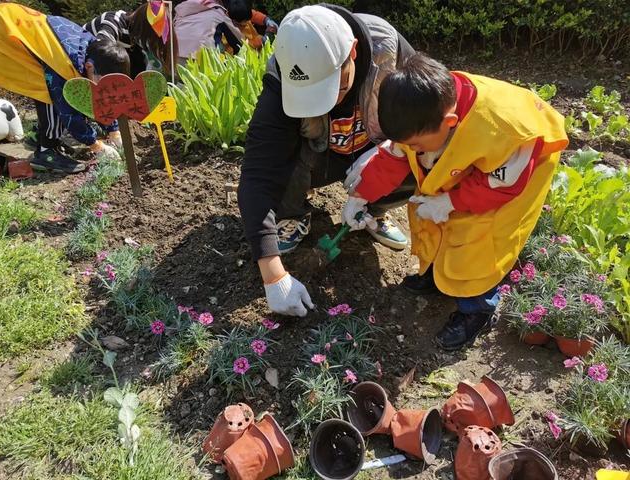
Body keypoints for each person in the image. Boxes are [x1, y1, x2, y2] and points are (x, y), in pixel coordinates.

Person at [343, 52, 569, 350]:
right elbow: (394, 157)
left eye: (417, 145)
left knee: (479, 238)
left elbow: (499, 185)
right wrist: (360, 196)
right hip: (476, 159)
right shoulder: (420, 111)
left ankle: (478, 309)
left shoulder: (504, 130)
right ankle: (439, 277)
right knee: (432, 212)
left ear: (449, 122)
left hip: (516, 172)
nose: (412, 150)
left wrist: (452, 201)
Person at [238, 4, 415, 317]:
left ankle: (373, 209)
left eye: (335, 87)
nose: (329, 101)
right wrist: (274, 276)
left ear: (354, 53)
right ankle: (293, 214)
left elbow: (428, 113)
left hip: (373, 145)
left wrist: (392, 149)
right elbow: (257, 173)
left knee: (416, 160)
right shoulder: (281, 76)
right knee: (281, 158)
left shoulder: (387, 53)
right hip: (320, 157)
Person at [0, 3, 126, 174]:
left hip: (11, 24)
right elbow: (68, 111)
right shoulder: (64, 64)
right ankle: (46, 153)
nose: (103, 88)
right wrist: (96, 145)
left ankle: (48, 141)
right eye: (102, 81)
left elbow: (101, 93)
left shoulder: (94, 47)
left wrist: (113, 131)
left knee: (47, 85)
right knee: (49, 94)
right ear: (90, 67)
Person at [84, 2, 177, 77]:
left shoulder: (135, 41)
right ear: (142, 29)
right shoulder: (113, 20)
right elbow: (99, 52)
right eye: (149, 40)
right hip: (81, 63)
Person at [174, 0, 277, 61]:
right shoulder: (223, 17)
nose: (248, 22)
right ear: (233, 20)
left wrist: (265, 19)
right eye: (245, 21)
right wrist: (264, 39)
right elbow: (241, 45)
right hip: (196, 56)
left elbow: (248, 13)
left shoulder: (202, 5)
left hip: (175, 49)